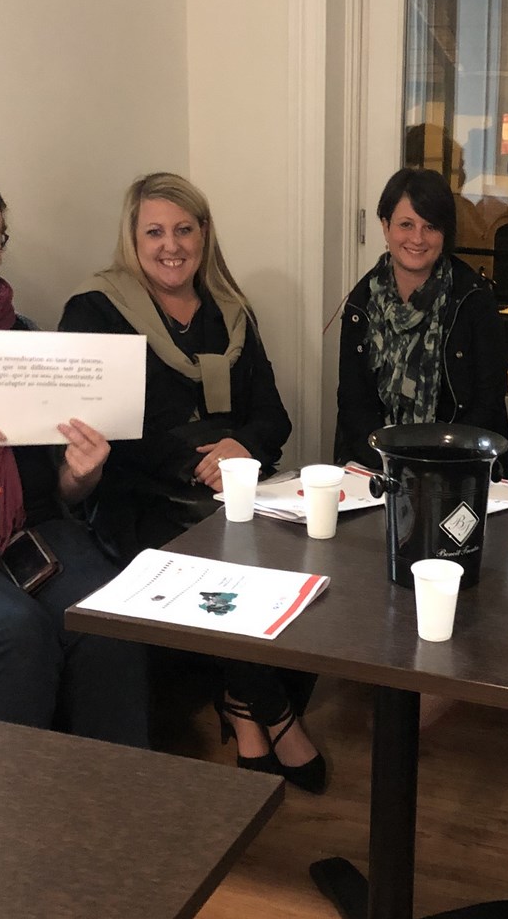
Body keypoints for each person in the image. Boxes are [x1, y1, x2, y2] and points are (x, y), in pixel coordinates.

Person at [59, 172, 325, 791]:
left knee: (312, 547)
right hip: (140, 496)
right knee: (225, 560)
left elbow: (273, 416)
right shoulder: (95, 310)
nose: (171, 245)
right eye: (154, 232)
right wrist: (199, 464)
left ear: (204, 234)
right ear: (132, 238)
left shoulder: (230, 312)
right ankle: (276, 715)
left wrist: (241, 447)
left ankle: (240, 706)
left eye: (184, 229)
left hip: (232, 487)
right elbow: (106, 425)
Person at [0, 174, 148, 745]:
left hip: (28, 527)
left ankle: (118, 789)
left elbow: (55, 493)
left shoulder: (24, 337)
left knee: (110, 619)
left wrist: (80, 473)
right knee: (11, 636)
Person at [334, 166, 508, 470]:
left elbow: (488, 405)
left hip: (461, 466)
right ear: (385, 226)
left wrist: (431, 466)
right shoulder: (362, 303)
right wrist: (392, 464)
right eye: (406, 224)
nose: (417, 238)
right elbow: (353, 405)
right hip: (377, 465)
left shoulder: (474, 300)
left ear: (445, 233)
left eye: (430, 226)